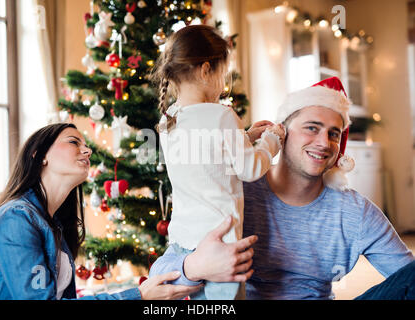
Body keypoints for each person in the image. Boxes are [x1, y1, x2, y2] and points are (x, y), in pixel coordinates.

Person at [150, 77, 415, 300]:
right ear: (281, 132)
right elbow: (160, 274)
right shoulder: (234, 192)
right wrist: (194, 266)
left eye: (334, 134)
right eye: (312, 128)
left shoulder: (355, 212)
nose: (324, 142)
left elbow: (407, 277)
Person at [0, 123, 202, 300]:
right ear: (39, 155)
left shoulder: (55, 224)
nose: (87, 150)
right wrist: (139, 295)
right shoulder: (15, 219)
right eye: (74, 142)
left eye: (85, 144)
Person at [149, 25, 285, 300]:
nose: (224, 82)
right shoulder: (222, 116)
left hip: (184, 242)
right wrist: (271, 141)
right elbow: (249, 169)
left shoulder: (169, 119)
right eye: (223, 74)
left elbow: (205, 157)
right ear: (205, 70)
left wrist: (246, 137)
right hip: (222, 245)